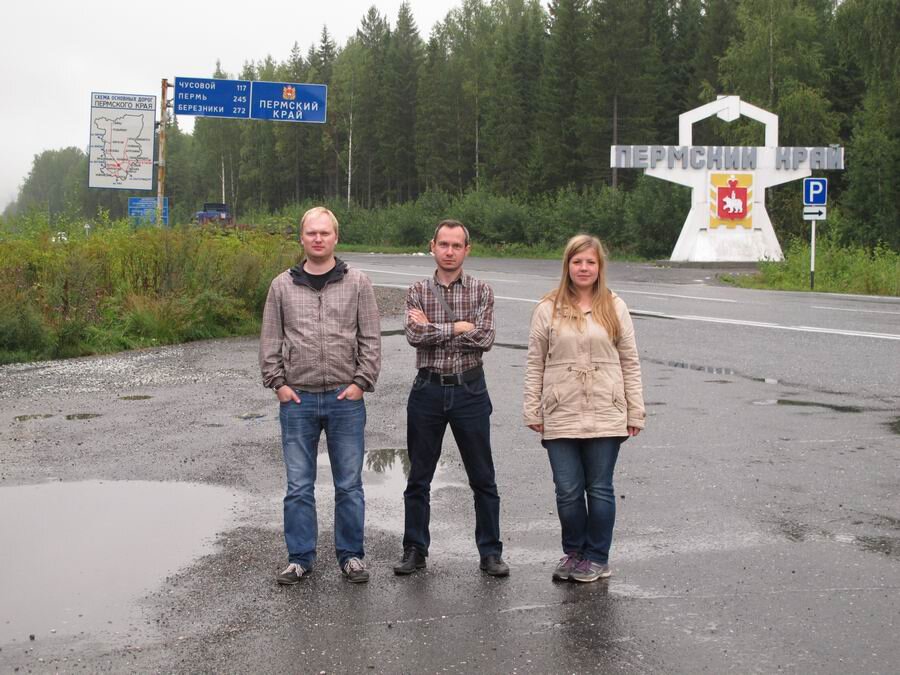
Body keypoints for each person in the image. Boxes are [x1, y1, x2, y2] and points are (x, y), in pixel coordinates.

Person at [259, 206, 381, 585]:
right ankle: (299, 558)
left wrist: (361, 383)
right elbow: (270, 341)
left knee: (349, 485)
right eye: (311, 233)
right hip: (298, 401)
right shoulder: (282, 285)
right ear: (302, 238)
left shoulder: (357, 282)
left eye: (324, 233)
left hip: (346, 400)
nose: (317, 238)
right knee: (298, 487)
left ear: (335, 238)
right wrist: (278, 384)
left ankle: (351, 556)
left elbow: (371, 340)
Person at [523, 234, 645, 583]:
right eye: (577, 262)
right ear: (567, 265)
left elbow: (630, 362)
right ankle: (574, 553)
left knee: (600, 487)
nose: (584, 268)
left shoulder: (614, 306)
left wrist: (635, 410)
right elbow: (534, 363)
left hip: (606, 410)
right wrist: (533, 409)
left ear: (599, 266)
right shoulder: (547, 307)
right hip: (560, 410)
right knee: (567, 489)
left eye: (590, 262)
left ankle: (597, 557)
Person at [393, 219, 509, 577]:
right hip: (427, 390)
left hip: (469, 390)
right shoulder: (416, 290)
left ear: (466, 250)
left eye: (456, 245)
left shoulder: (482, 291)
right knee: (419, 478)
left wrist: (435, 328)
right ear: (432, 246)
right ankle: (415, 549)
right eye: (443, 244)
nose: (449, 251)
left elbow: (485, 338)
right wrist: (458, 327)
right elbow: (414, 334)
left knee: (483, 478)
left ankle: (490, 552)